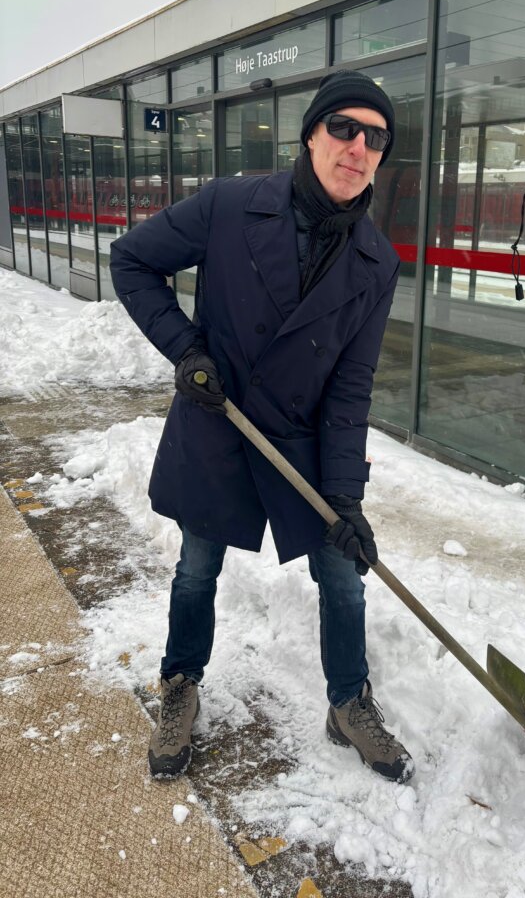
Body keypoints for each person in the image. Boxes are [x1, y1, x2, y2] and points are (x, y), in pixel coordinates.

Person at [110, 69, 413, 785]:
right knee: (196, 570)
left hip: (304, 442)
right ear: (310, 134)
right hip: (221, 422)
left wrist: (345, 496)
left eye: (376, 137)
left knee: (344, 576)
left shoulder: (377, 262)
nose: (358, 146)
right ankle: (180, 685)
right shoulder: (231, 205)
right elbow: (133, 261)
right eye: (343, 127)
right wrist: (188, 352)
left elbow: (350, 386)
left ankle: (348, 703)